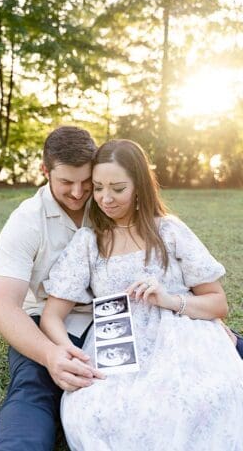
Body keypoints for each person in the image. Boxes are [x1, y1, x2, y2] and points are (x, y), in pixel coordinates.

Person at [39, 139, 243, 449]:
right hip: (117, 345)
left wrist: (168, 299)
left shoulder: (169, 231)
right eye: (98, 188)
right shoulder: (89, 242)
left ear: (139, 187)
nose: (105, 199)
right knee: (96, 413)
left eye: (117, 189)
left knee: (195, 402)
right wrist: (71, 353)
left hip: (181, 338)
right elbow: (52, 315)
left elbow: (218, 303)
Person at [0, 126, 103, 450]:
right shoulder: (26, 221)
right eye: (67, 182)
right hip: (46, 319)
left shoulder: (109, 201)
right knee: (35, 386)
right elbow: (5, 308)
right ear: (45, 171)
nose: (79, 193)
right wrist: (50, 354)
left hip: (109, 315)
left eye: (86, 181)